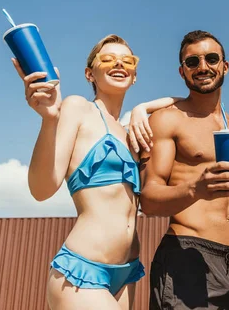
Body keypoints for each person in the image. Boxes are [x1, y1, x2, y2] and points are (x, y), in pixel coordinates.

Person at [15, 34, 149, 309]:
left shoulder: (130, 132)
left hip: (127, 273)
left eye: (127, 60)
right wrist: (50, 120)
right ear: (90, 73)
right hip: (83, 271)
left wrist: (144, 107)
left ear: (135, 75)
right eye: (108, 58)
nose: (119, 64)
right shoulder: (78, 108)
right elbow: (41, 189)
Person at [139, 30, 229, 310]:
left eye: (211, 59)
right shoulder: (167, 121)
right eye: (192, 62)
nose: (203, 67)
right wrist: (196, 188)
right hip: (186, 255)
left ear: (225, 66)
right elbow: (148, 199)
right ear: (182, 71)